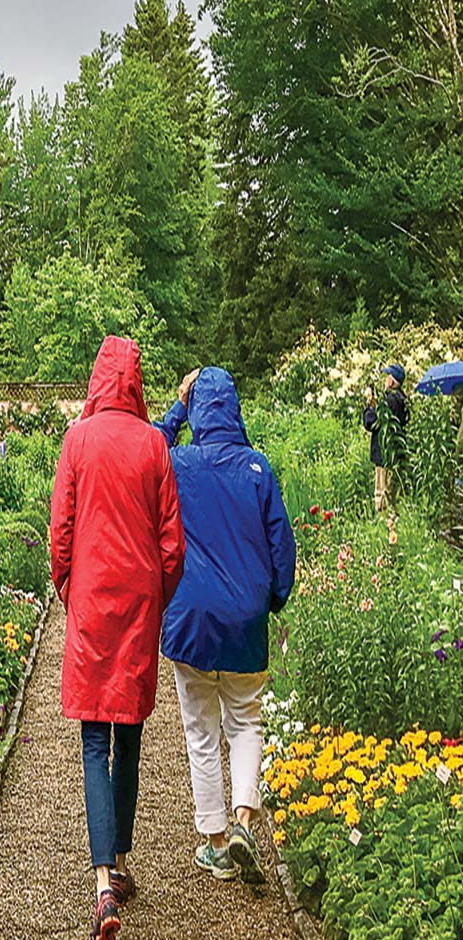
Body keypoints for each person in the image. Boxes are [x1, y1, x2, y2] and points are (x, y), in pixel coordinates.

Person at [50, 336, 184, 940]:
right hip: (135, 602)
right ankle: (121, 860)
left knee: (93, 737)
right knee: (128, 731)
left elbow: (62, 530)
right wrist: (157, 595)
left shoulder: (77, 441)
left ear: (97, 380)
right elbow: (171, 543)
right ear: (135, 381)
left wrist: (69, 587)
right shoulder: (155, 443)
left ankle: (102, 879)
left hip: (92, 599)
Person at [156, 367, 296, 885]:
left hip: (190, 619)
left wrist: (177, 407)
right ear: (234, 408)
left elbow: (150, 444)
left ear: (197, 410)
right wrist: (272, 601)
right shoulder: (257, 469)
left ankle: (215, 842)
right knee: (245, 722)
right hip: (243, 622)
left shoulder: (177, 464)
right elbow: (281, 545)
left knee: (199, 730)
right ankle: (243, 819)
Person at [363, 364, 409, 512]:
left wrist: (369, 406)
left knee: (382, 494)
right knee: (392, 494)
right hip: (395, 455)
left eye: (387, 377)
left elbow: (372, 422)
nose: (384, 380)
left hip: (384, 455)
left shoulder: (390, 401)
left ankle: (385, 528)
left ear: (391, 381)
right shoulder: (402, 399)